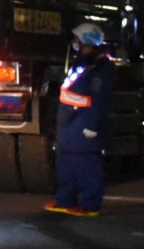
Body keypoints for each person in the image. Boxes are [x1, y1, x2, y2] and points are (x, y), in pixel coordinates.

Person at [44, 22, 115, 217]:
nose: (75, 43)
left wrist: (92, 126)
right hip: (69, 121)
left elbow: (99, 99)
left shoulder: (101, 67)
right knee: (66, 163)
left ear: (88, 41)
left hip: (84, 121)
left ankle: (90, 204)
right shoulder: (81, 62)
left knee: (87, 165)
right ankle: (64, 199)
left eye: (78, 39)